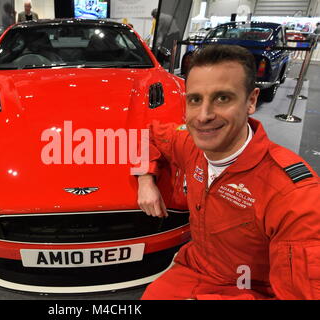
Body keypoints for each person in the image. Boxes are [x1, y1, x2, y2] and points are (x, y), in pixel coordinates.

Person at [136, 44, 320, 300]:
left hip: (250, 290)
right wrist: (145, 178)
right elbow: (148, 135)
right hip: (195, 267)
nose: (203, 116)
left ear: (251, 101)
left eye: (223, 98)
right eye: (195, 99)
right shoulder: (189, 143)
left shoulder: (295, 196)